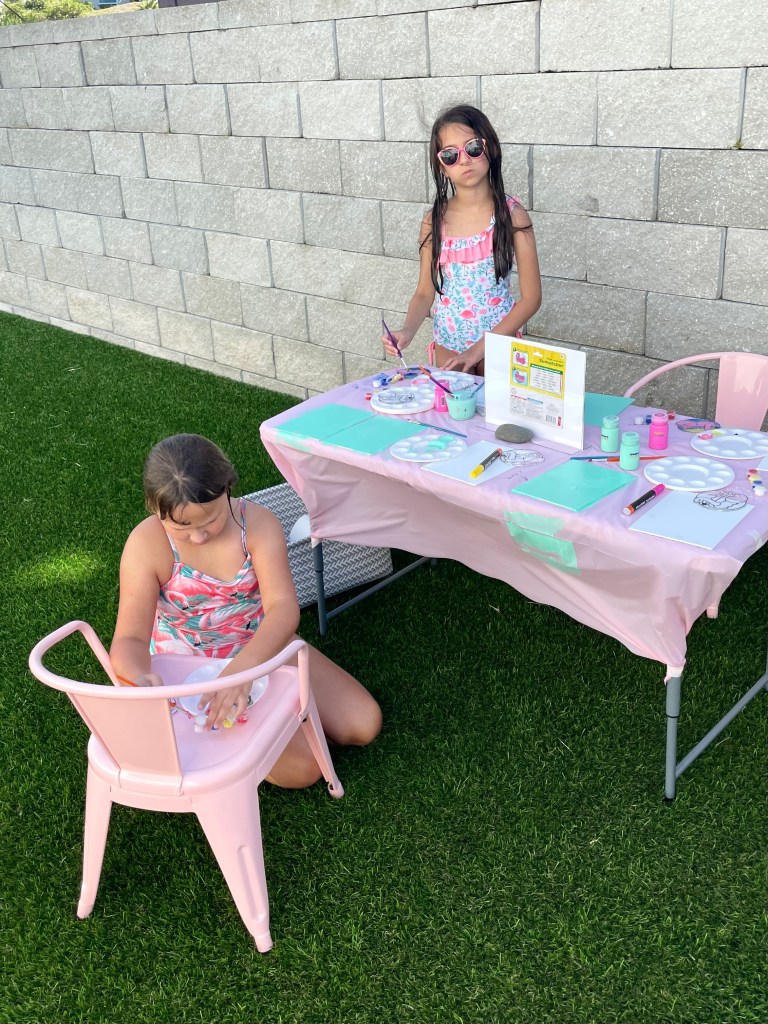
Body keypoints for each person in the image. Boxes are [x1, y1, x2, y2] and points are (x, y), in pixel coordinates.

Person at [110, 433, 382, 789]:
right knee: (304, 770)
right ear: (154, 509)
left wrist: (242, 672)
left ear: (228, 488)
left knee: (364, 724)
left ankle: (276, 718)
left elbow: (283, 610)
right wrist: (137, 676)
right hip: (189, 669)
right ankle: (268, 724)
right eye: (182, 528)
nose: (199, 537)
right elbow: (129, 638)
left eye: (210, 521)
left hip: (262, 646)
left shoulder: (257, 525)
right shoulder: (147, 544)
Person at [382, 104, 541, 375]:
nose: (464, 160)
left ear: (490, 148)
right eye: (450, 155)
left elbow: (531, 298)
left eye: (473, 148)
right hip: (448, 346)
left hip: (497, 346)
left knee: (494, 405)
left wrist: (479, 349)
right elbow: (424, 293)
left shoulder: (512, 216)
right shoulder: (434, 221)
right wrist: (407, 331)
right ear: (442, 167)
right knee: (451, 405)